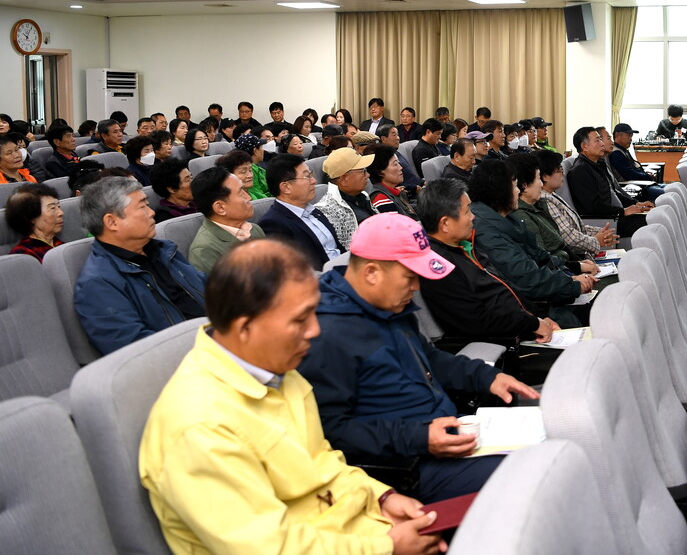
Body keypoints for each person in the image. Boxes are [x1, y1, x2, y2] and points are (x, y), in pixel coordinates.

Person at [139, 239, 445, 555]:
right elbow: (267, 547)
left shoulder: (278, 369)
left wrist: (382, 497)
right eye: (300, 320)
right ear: (245, 328)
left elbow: (323, 462)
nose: (314, 330)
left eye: (313, 312)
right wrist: (385, 547)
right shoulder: (199, 427)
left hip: (356, 530)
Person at [299, 212, 540, 503]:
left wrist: (487, 376)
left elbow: (428, 358)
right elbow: (333, 432)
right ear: (372, 272)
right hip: (406, 466)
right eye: (409, 277)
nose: (416, 288)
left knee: (554, 437)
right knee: (537, 475)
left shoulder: (388, 305)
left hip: (444, 431)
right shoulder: (327, 334)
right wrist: (420, 437)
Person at [417, 178, 559, 342]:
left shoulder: (465, 246)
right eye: (467, 211)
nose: (473, 217)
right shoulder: (439, 267)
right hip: (505, 343)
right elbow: (477, 321)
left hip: (524, 324)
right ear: (445, 223)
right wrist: (533, 324)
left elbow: (505, 288)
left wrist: (540, 317)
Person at [75, 176, 207, 354]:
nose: (152, 212)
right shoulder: (98, 283)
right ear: (112, 222)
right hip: (189, 362)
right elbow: (137, 351)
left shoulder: (164, 251)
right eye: (142, 206)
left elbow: (208, 288)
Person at [469, 160, 592, 325]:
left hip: (544, 296)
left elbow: (539, 254)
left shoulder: (507, 218)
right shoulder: (486, 231)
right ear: (499, 191)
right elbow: (526, 278)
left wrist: (569, 277)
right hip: (532, 308)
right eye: (514, 186)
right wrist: (572, 286)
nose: (518, 191)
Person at [508, 153, 601, 274]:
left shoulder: (539, 205)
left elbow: (561, 244)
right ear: (525, 186)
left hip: (568, 266)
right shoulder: (522, 216)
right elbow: (542, 261)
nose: (541, 184)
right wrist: (578, 268)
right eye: (537, 178)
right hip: (561, 273)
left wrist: (579, 263)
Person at [259, 154, 343, 268]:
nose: (314, 181)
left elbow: (337, 249)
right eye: (307, 176)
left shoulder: (314, 211)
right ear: (286, 187)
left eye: (311, 174)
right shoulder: (273, 224)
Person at [566, 126, 651, 238]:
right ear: (584, 146)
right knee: (651, 223)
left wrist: (635, 204)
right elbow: (593, 207)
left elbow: (613, 193)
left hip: (613, 215)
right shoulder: (580, 170)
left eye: (601, 140)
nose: (602, 144)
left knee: (653, 216)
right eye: (597, 140)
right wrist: (623, 211)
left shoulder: (597, 164)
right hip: (605, 222)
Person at [535, 149, 616, 258]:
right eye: (558, 169)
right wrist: (596, 240)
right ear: (545, 176)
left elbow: (575, 226)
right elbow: (567, 236)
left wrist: (601, 232)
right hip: (571, 258)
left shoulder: (552, 195)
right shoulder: (545, 199)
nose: (562, 172)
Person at [187, 166, 266, 273]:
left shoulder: (254, 229)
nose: (249, 198)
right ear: (220, 208)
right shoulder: (205, 251)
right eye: (241, 193)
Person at [313, 147, 377, 246]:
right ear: (343, 179)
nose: (367, 175)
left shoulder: (362, 196)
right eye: (362, 171)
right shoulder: (327, 211)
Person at [604, 124, 665, 202]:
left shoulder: (623, 150)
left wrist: (645, 174)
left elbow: (633, 168)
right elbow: (630, 175)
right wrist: (647, 176)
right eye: (628, 136)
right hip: (636, 187)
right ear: (618, 135)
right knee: (669, 194)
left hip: (642, 184)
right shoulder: (616, 153)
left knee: (675, 189)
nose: (631, 139)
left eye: (631, 136)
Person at [5, 183, 64, 261]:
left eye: (59, 207)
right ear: (31, 217)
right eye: (52, 208)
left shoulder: (60, 245)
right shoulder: (23, 255)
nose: (61, 213)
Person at [364, 144, 418, 218]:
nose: (401, 167)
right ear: (380, 172)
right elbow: (396, 227)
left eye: (399, 163)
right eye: (395, 164)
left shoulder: (394, 192)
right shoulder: (381, 200)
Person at [375, 124, 424, 193]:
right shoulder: (381, 157)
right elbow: (391, 182)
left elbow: (409, 175)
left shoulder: (395, 152)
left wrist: (422, 182)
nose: (398, 138)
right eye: (394, 135)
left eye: (398, 135)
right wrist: (413, 188)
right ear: (383, 139)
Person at [151, 158, 197, 222]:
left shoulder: (198, 202)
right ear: (172, 189)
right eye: (187, 180)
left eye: (191, 177)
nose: (194, 183)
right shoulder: (165, 217)